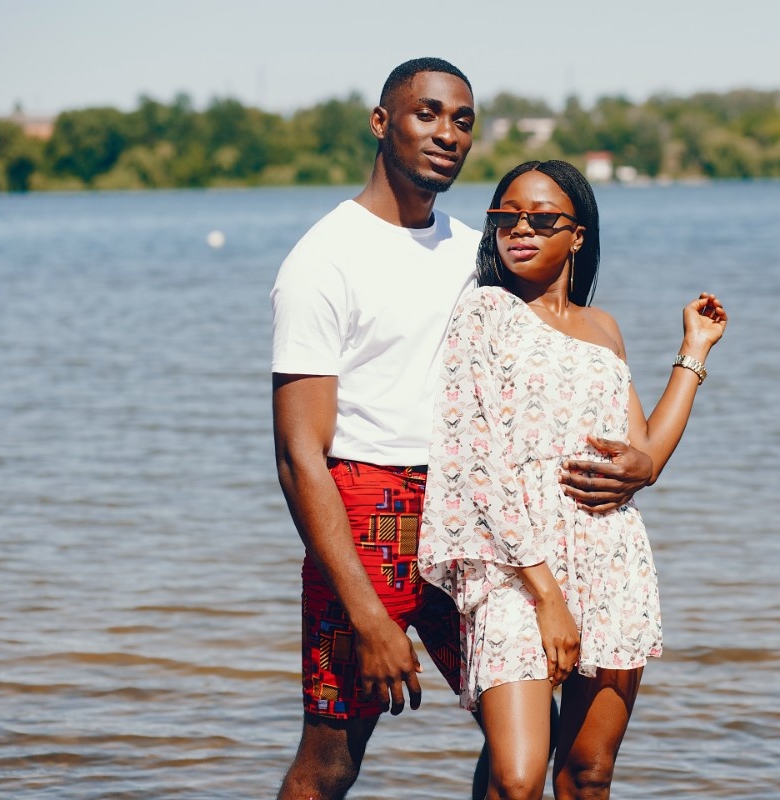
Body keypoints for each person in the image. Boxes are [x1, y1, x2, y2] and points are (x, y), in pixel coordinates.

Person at [270, 60, 655, 800]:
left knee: (521, 726)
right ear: (382, 123)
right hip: (369, 511)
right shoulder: (324, 260)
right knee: (333, 754)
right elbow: (298, 456)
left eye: (463, 120)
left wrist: (638, 459)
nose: (447, 134)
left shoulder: (474, 253)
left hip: (471, 517)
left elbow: (551, 367)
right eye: (427, 114)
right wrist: (367, 613)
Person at [419, 159, 728, 800]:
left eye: (540, 218)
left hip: (608, 560)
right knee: (518, 776)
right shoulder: (484, 313)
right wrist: (546, 596)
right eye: (505, 217)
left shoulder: (603, 328)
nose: (519, 229)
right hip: (515, 567)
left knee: (588, 775)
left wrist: (693, 350)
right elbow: (480, 463)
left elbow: (641, 456)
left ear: (578, 234)